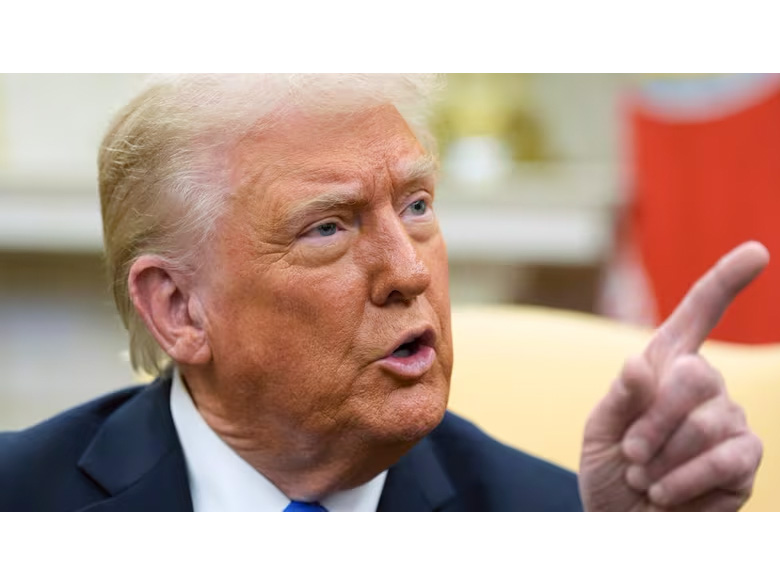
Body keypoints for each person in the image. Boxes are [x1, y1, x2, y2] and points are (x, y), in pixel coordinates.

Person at [0, 74, 767, 511]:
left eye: (417, 206)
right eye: (328, 227)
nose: (409, 270)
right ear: (178, 307)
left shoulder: (565, 522)